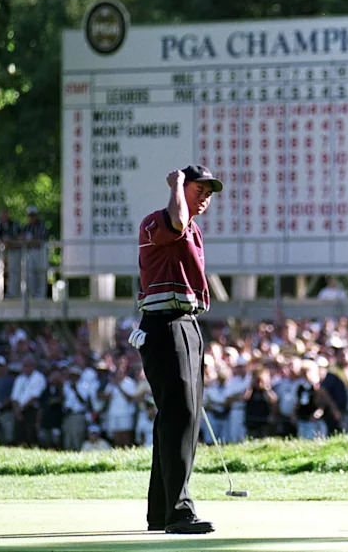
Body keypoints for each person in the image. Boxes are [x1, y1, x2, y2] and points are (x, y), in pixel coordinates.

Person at [126, 165, 222, 535]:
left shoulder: (193, 230)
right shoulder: (158, 222)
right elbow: (177, 220)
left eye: (209, 192)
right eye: (200, 189)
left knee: (180, 415)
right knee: (179, 414)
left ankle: (161, 510)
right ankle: (179, 511)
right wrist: (177, 184)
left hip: (187, 324)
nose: (205, 198)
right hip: (164, 324)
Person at [20, 205, 50, 299]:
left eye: (33, 215)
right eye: (30, 215)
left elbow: (40, 240)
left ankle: (41, 296)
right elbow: (22, 239)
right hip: (30, 253)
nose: (31, 217)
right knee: (30, 275)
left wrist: (30, 240)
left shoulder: (42, 226)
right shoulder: (26, 227)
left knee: (41, 273)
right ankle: (32, 296)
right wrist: (31, 240)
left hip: (40, 253)